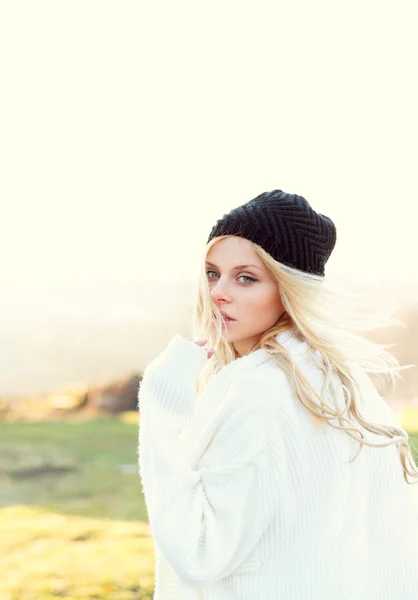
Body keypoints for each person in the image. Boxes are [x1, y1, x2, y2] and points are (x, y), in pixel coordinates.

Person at [137, 189, 418, 600]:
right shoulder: (336, 378)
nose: (218, 293)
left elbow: (199, 551)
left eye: (246, 278)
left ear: (290, 289)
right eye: (212, 272)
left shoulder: (258, 391)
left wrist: (163, 408)